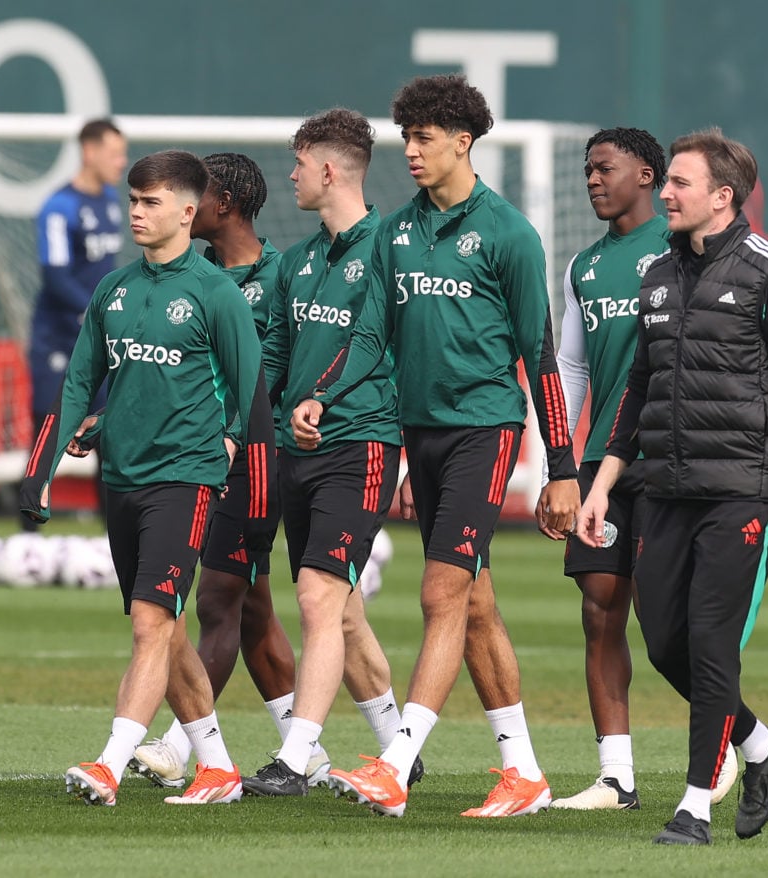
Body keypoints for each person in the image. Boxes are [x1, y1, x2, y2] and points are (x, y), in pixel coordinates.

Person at [293, 75, 581, 818]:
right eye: (408, 138)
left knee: (440, 593)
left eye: (425, 138)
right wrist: (328, 390)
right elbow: (368, 333)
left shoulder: (511, 234)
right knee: (475, 605)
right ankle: (524, 774)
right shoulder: (394, 232)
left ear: (464, 142)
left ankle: (396, 763)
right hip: (417, 433)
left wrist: (562, 469)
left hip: (484, 432)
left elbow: (540, 357)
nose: (412, 152)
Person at [576, 127, 768, 844]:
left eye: (679, 183)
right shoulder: (657, 273)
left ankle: (693, 805)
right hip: (663, 488)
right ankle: (760, 745)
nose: (665, 193)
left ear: (722, 197)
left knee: (712, 643)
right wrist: (602, 480)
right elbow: (637, 387)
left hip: (744, 491)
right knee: (663, 646)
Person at [20, 149, 267, 806]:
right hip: (121, 479)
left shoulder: (216, 294)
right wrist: (38, 470)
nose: (136, 212)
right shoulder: (114, 289)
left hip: (185, 481)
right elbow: (79, 383)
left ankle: (109, 762)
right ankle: (217, 768)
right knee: (168, 627)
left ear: (187, 212)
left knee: (150, 624)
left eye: (150, 201)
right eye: (133, 200)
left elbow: (252, 393)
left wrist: (237, 448)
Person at [120, 151, 329, 790]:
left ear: (224, 204)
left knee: (214, 599)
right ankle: (307, 751)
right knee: (255, 609)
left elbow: (284, 366)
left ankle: (181, 748)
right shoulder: (191, 274)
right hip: (193, 459)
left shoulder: (285, 276)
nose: (183, 205)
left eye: (196, 195)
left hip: (253, 462)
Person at [544, 128, 737, 811]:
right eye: (587, 170)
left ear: (650, 176)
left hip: (674, 458)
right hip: (603, 461)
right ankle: (616, 776)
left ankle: (735, 737)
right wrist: (560, 462)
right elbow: (570, 366)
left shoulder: (685, 249)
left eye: (605, 168)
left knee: (675, 622)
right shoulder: (583, 267)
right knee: (600, 610)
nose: (592, 180)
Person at [240, 108, 418, 797]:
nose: (289, 175)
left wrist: (328, 403)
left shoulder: (390, 249)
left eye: (298, 162)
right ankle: (399, 747)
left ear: (329, 169)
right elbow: (277, 357)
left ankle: (294, 758)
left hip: (362, 442)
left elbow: (388, 349)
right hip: (297, 448)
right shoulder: (299, 260)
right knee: (340, 611)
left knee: (317, 599)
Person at [23, 118, 127, 530]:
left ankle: (112, 541)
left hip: (99, 342)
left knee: (107, 436)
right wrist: (97, 313)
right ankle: (28, 538)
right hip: (58, 340)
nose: (121, 161)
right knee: (45, 437)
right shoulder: (58, 206)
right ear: (89, 151)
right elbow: (55, 276)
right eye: (115, 152)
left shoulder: (112, 202)